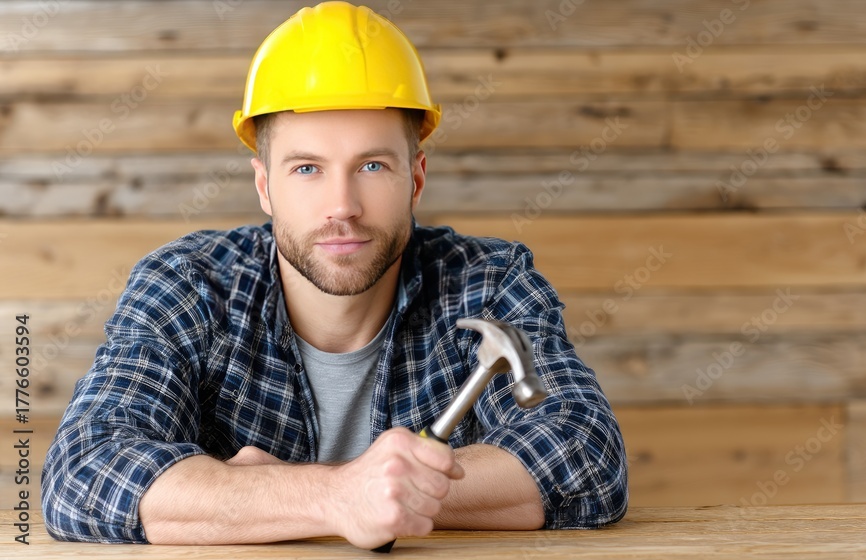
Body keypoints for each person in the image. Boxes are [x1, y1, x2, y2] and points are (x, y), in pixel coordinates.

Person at [41, 1, 627, 550]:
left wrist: (291, 495)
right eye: (307, 168)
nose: (341, 205)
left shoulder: (489, 281)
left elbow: (586, 456)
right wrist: (338, 496)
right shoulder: (186, 286)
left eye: (371, 165)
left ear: (415, 179)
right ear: (264, 185)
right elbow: (84, 471)